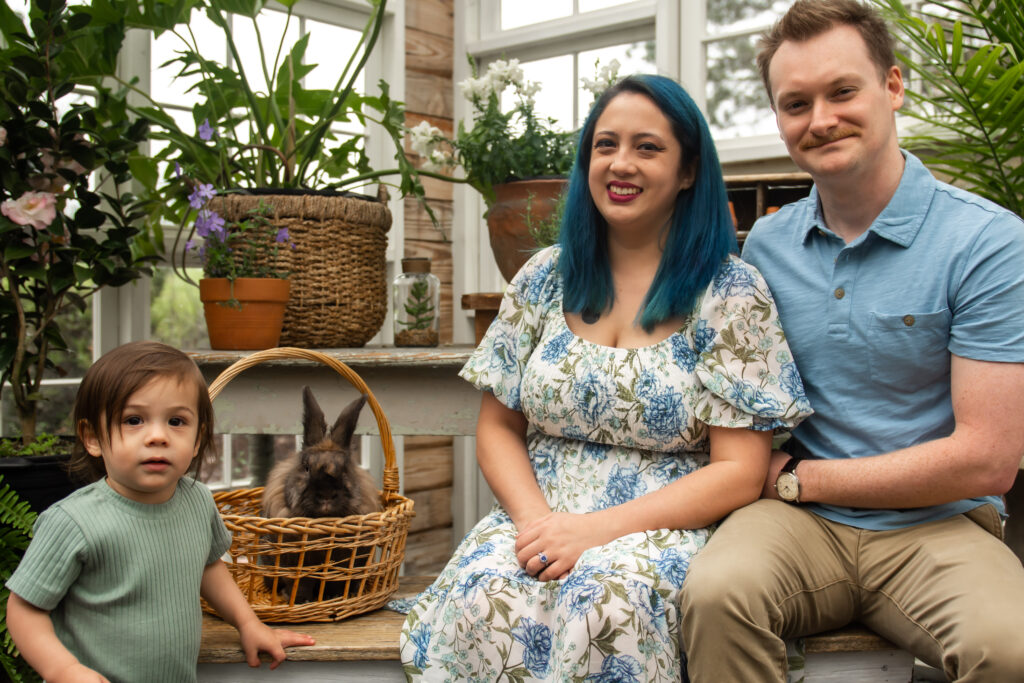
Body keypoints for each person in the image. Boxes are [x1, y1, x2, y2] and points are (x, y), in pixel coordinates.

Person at [399, 74, 811, 681]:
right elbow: (497, 429)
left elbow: (740, 471)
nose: (622, 164)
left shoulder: (729, 293)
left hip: (663, 523)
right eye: (605, 144)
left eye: (648, 147)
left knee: (605, 603)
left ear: (689, 171)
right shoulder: (543, 277)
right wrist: (539, 525)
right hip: (535, 515)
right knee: (485, 590)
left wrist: (591, 532)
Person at [679, 1, 1024, 681]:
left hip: (939, 523)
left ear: (893, 87)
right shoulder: (770, 245)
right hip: (800, 529)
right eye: (796, 103)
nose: (821, 119)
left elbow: (987, 461)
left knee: (1009, 646)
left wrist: (802, 480)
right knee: (715, 593)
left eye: (843, 91)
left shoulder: (987, 242)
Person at [6, 341, 315, 683]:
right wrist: (64, 670)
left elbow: (208, 567)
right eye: (134, 420)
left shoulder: (197, 501)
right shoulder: (73, 521)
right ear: (92, 437)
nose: (158, 436)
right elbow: (24, 610)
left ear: (197, 439)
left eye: (176, 421)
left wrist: (248, 623)